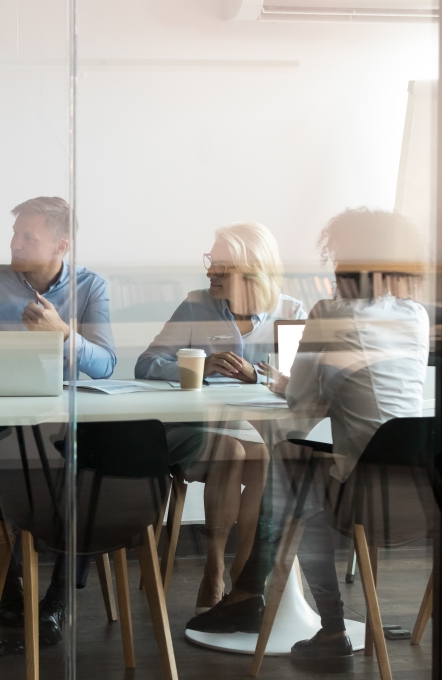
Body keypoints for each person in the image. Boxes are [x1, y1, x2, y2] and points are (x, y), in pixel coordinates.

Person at [186, 209, 429, 673]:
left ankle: (323, 622)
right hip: (417, 488)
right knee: (290, 464)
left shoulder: (331, 313)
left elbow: (302, 404)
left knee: (289, 467)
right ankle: (249, 592)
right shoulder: (415, 317)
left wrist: (282, 381)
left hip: (361, 490)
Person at [0, 196, 116, 645]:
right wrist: (17, 362)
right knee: (12, 463)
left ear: (61, 245)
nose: (15, 243)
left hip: (58, 423)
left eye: (28, 236)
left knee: (86, 468)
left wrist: (60, 334)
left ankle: (58, 597)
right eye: (15, 233)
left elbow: (105, 365)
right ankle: (10, 587)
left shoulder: (91, 287)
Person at [135, 222, 306, 613]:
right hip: (196, 428)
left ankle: (245, 576)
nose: (210, 272)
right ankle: (214, 571)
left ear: (252, 270)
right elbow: (146, 364)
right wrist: (198, 366)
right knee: (232, 450)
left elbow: (302, 385)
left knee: (259, 454)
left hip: (259, 431)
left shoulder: (291, 312)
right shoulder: (196, 304)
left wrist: (260, 376)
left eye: (222, 267)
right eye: (211, 262)